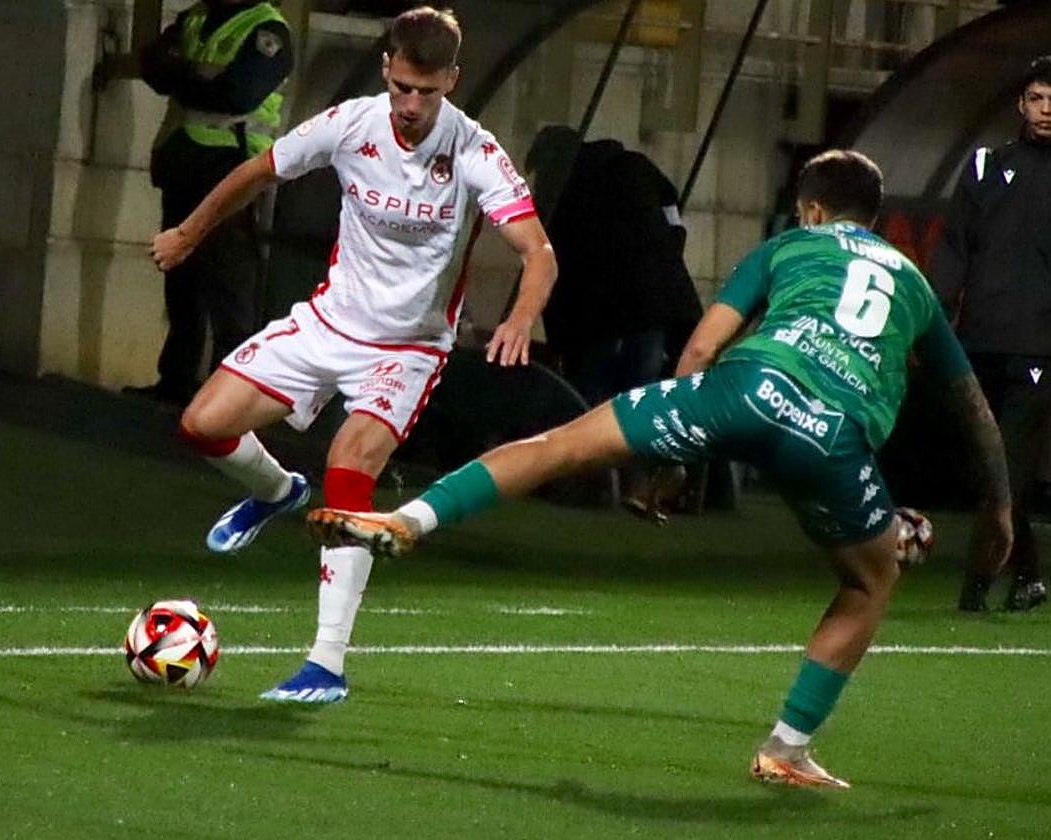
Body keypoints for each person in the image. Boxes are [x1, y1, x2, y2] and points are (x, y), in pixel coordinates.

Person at [307, 150, 1013, 787]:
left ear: (812, 210)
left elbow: (702, 348)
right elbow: (972, 407)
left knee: (558, 444)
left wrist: (677, 450)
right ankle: (786, 748)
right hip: (831, 435)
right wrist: (1001, 506)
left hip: (744, 388)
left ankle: (411, 518)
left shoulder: (788, 245)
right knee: (868, 581)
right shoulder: (915, 286)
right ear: (873, 217)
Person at [151, 7, 556, 703]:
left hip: (407, 349)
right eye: (401, 86)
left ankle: (326, 664)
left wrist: (520, 318)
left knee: (349, 468)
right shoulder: (351, 123)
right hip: (329, 322)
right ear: (386, 69)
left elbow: (538, 252)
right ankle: (276, 491)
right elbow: (258, 171)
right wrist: (189, 232)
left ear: (452, 81)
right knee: (202, 424)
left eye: (426, 91)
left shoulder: (474, 151)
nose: (411, 104)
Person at [525, 126, 701, 518]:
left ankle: (591, 483)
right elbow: (674, 219)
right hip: (652, 306)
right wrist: (668, 256)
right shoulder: (637, 167)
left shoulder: (565, 189)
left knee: (592, 394)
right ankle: (644, 484)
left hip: (601, 312)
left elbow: (555, 259)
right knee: (640, 394)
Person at [930, 56, 1051, 613]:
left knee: (1009, 466)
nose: (1046, 110)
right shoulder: (984, 165)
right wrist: (934, 315)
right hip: (978, 339)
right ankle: (1025, 575)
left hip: (1040, 345)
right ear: (1021, 104)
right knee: (988, 469)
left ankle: (976, 586)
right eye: (1037, 98)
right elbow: (955, 245)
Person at [130, 0, 294, 408]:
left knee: (228, 284)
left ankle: (228, 394)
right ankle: (176, 380)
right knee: (180, 278)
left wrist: (181, 72)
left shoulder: (268, 31)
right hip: (183, 162)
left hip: (231, 169)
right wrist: (195, 77)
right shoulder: (195, 17)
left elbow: (238, 94)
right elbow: (153, 68)